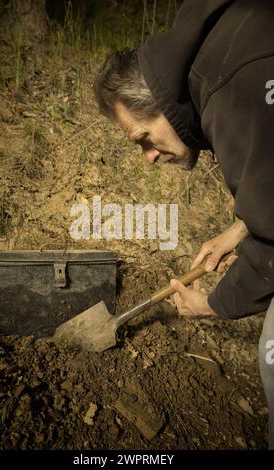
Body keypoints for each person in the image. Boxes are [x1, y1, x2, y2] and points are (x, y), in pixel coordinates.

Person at [93, 0, 274, 448]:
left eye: (144, 140)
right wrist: (240, 227)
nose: (150, 157)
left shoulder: (231, 90)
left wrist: (215, 304)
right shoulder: (219, 53)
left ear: (159, 104)